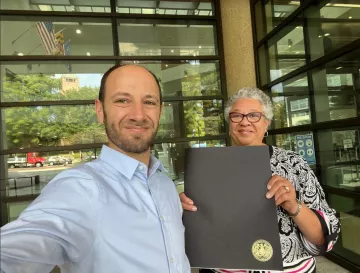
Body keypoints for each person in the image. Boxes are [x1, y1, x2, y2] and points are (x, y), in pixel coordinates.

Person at [0, 65, 190, 273]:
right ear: (100, 110)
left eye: (149, 102)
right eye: (122, 100)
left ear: (160, 111)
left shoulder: (164, 183)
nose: (138, 114)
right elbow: (14, 252)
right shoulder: (80, 189)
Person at [180, 88, 340, 273]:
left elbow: (322, 237)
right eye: (236, 116)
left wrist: (293, 205)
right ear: (229, 123)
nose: (245, 121)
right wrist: (184, 209)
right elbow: (197, 224)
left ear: (266, 123)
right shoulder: (208, 166)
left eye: (254, 115)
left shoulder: (293, 163)